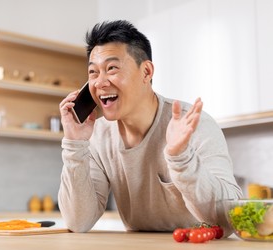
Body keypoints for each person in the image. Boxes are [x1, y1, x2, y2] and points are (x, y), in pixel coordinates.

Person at [58, 20, 242, 236]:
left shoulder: (192, 124)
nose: (100, 82)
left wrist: (180, 158)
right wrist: (74, 145)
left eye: (111, 68)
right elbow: (78, 222)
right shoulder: (97, 135)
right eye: (93, 72)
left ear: (146, 72)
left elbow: (229, 221)